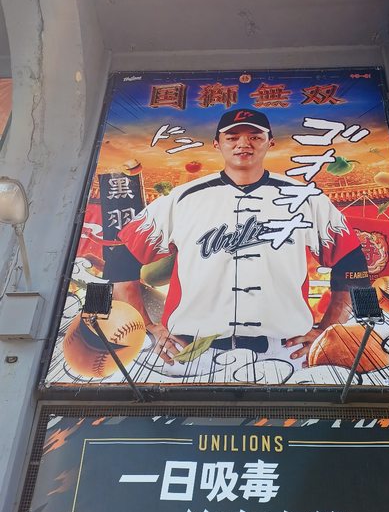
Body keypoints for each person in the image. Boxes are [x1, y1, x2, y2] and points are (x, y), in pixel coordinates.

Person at [104, 108, 370, 370]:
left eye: (255, 136)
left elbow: (352, 262)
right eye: (232, 137)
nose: (244, 144)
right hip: (190, 352)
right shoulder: (183, 198)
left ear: (270, 143)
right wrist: (145, 327)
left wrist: (329, 329)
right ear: (217, 144)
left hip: (285, 351)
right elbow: (121, 260)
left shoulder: (305, 198)